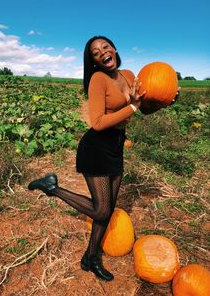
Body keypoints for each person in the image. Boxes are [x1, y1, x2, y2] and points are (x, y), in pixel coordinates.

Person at [28, 35, 145, 281]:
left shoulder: (128, 75)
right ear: (93, 61)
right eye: (95, 52)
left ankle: (89, 258)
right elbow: (98, 122)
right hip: (96, 147)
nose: (102, 52)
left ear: (114, 49)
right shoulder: (97, 79)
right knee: (101, 211)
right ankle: (52, 187)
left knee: (107, 208)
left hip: (116, 145)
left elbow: (142, 104)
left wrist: (166, 101)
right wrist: (132, 108)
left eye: (105, 47)